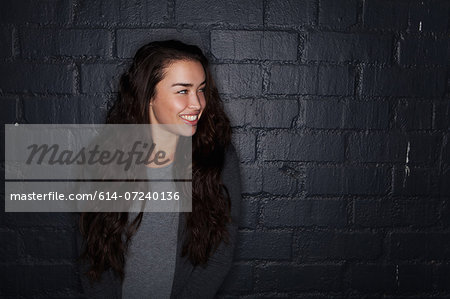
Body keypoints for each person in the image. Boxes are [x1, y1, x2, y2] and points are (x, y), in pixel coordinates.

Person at [75, 40, 242, 298]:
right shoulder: (102, 160)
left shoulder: (217, 160)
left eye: (201, 90)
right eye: (182, 91)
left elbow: (219, 253)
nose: (198, 103)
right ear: (149, 95)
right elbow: (93, 256)